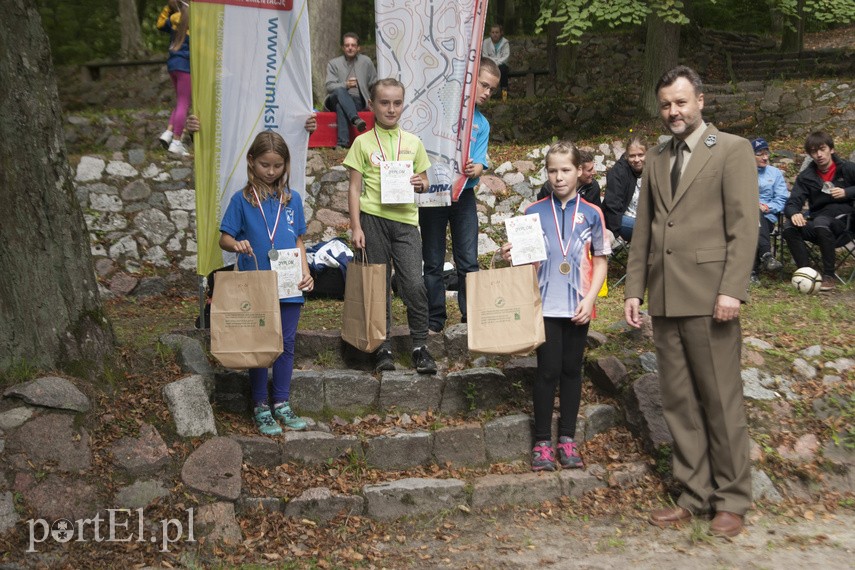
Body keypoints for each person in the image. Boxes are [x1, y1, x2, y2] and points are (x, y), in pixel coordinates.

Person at [624, 66, 758, 538]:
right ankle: (694, 493)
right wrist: (634, 290)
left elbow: (745, 227)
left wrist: (731, 289)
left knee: (721, 401)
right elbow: (645, 230)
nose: (673, 112)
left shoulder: (733, 150)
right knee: (679, 402)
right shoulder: (657, 157)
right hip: (664, 296)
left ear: (700, 100)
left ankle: (732, 499)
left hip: (710, 296)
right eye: (665, 104)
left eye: (680, 102)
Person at [500, 141, 609, 472]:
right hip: (544, 305)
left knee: (572, 370)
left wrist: (589, 299)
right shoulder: (533, 212)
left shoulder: (593, 213)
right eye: (552, 170)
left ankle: (567, 438)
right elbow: (526, 264)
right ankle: (542, 443)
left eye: (565, 170)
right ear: (545, 173)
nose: (559, 177)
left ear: (579, 171)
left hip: (578, 305)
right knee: (547, 371)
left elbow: (601, 261)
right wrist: (512, 257)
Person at [219, 131, 313, 435]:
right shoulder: (241, 200)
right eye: (264, 165)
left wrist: (305, 271)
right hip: (255, 283)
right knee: (260, 343)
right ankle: (260, 404)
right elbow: (225, 238)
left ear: (285, 165)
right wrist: (237, 246)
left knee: (285, 344)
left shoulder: (292, 199)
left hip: (288, 285)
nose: (271, 171)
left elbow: (298, 239)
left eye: (277, 166)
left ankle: (281, 403)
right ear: (251, 162)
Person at [344, 78, 437, 375]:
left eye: (397, 103)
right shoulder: (362, 143)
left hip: (406, 222)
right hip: (372, 220)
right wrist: (356, 227)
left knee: (414, 283)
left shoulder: (413, 142)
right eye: (384, 103)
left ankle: (420, 346)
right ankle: (381, 347)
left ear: (403, 104)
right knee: (377, 286)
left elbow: (424, 182)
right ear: (372, 105)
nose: (391, 108)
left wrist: (420, 183)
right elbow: (354, 189)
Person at [420, 58, 500, 333]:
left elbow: (479, 163)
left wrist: (478, 167)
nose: (488, 93)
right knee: (432, 260)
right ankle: (435, 319)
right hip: (434, 194)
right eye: (484, 85)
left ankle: (471, 318)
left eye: (492, 89)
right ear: (470, 80)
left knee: (468, 260)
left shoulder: (482, 124)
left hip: (464, 197)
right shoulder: (443, 111)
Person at [782, 131, 855, 292]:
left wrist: (847, 192)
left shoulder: (848, 169)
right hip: (817, 223)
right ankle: (807, 273)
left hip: (845, 225)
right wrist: (794, 213)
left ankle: (829, 275)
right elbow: (792, 202)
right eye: (814, 151)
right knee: (789, 227)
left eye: (822, 149)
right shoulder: (806, 176)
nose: (819, 155)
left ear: (831, 149)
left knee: (822, 223)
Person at [324, 33, 377, 149]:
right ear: (343, 47)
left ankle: (342, 143)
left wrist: (374, 100)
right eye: (347, 45)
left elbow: (374, 84)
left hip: (357, 100)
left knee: (340, 106)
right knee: (340, 90)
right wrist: (345, 85)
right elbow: (329, 86)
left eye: (353, 45)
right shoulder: (333, 63)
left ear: (358, 48)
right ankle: (355, 119)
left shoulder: (366, 62)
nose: (350, 48)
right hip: (335, 98)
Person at [156, 0, 191, 158]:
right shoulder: (197, 19)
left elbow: (160, 25)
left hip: (172, 65)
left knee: (180, 102)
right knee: (184, 103)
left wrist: (168, 8)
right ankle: (176, 141)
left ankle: (168, 133)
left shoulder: (174, 17)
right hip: (185, 66)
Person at [750, 137, 787, 282]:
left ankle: (752, 272)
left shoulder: (775, 173)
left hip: (767, 217)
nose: (765, 157)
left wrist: (767, 207)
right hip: (743, 216)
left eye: (767, 153)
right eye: (760, 154)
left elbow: (782, 198)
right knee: (752, 211)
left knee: (755, 218)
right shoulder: (741, 172)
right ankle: (766, 255)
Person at [603, 137, 647, 242]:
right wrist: (615, 231)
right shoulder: (618, 172)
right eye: (632, 156)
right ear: (627, 156)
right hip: (621, 219)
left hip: (644, 217)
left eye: (640, 155)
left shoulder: (652, 168)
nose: (637, 160)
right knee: (653, 231)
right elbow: (612, 205)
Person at [536, 149, 601, 209]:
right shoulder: (548, 188)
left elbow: (596, 213)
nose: (594, 172)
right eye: (589, 170)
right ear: (578, 170)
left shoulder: (593, 187)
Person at [481, 24, 509, 97]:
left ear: (500, 33)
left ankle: (504, 96)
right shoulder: (486, 42)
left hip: (502, 65)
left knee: (503, 71)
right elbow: (485, 55)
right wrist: (494, 62)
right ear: (490, 33)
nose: (495, 34)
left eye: (497, 32)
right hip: (489, 65)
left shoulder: (505, 42)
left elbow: (506, 56)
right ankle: (488, 95)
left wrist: (496, 63)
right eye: (493, 32)